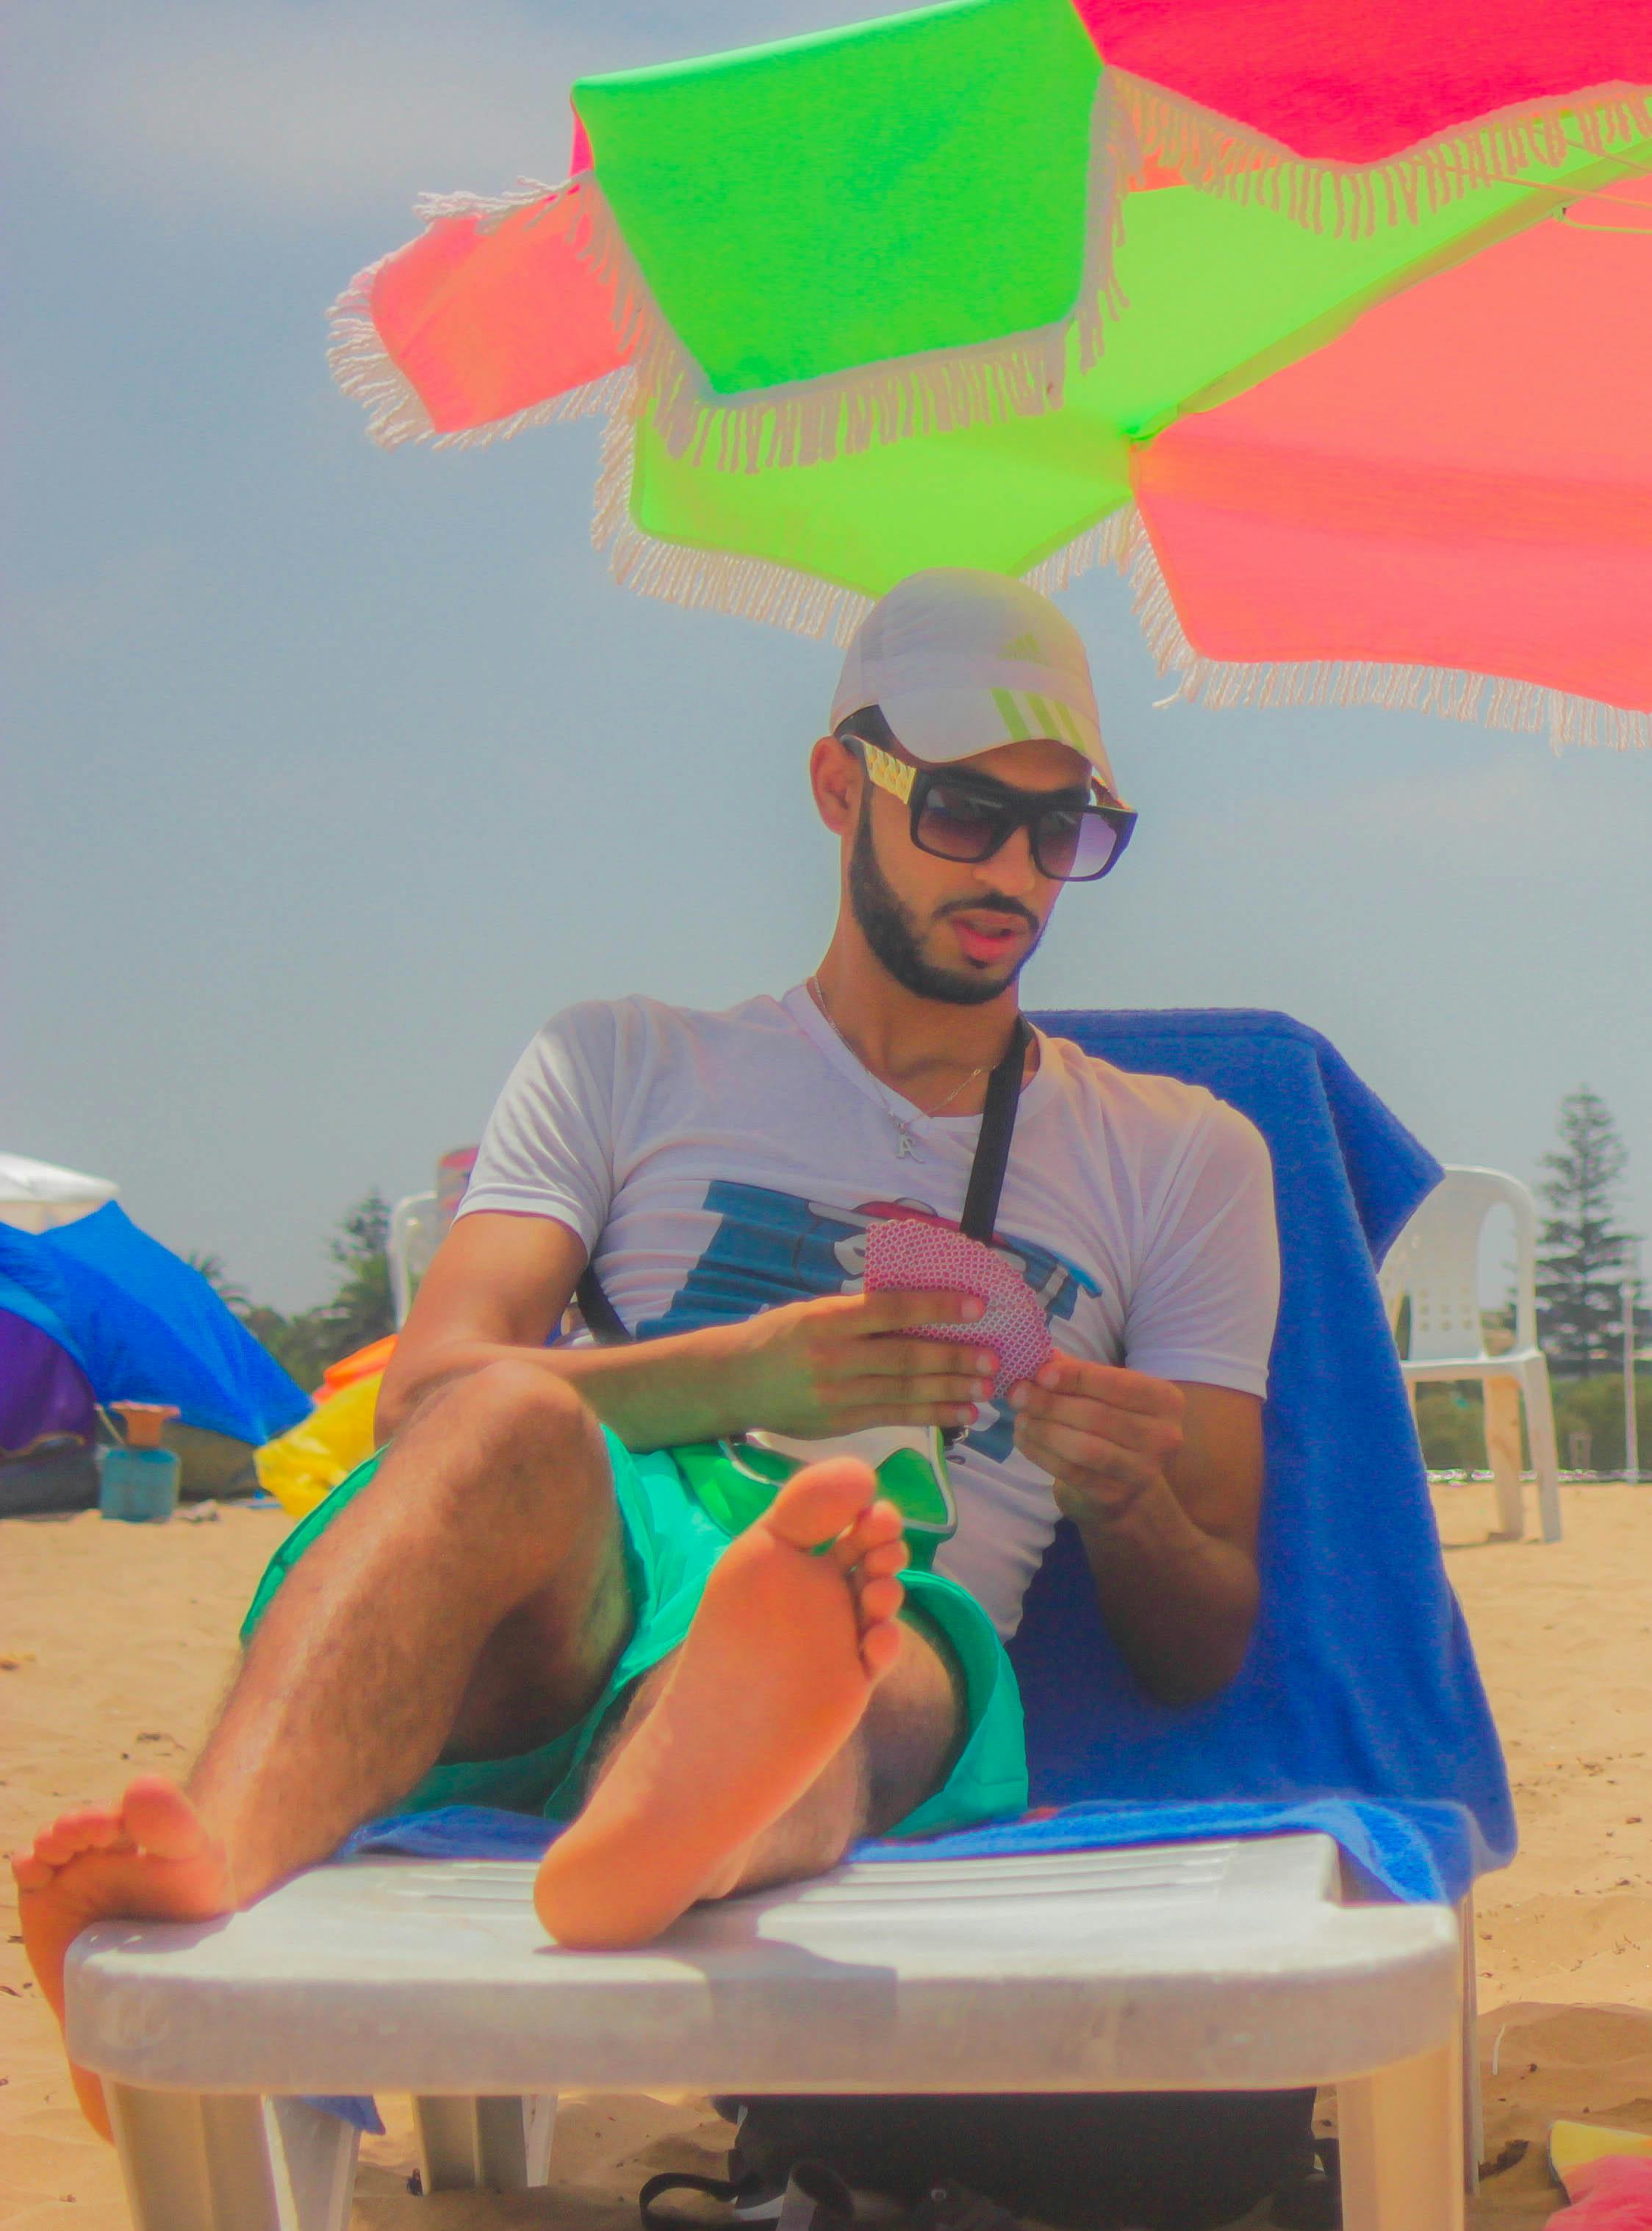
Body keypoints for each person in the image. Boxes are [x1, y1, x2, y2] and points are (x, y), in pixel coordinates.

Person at [18, 570, 1281, 2134]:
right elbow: (422, 1391)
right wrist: (749, 1375)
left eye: (1063, 828)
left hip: (894, 1596)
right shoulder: (622, 1063)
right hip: (583, 1570)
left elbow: (1204, 1634)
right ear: (839, 785)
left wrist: (1130, 1503)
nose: (1016, 870)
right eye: (962, 809)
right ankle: (209, 1873)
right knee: (497, 1428)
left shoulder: (1184, 1158)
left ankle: (682, 1799)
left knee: (868, 1622)